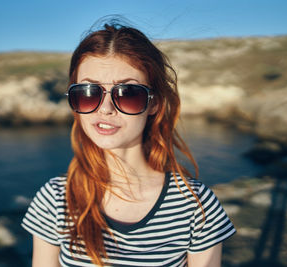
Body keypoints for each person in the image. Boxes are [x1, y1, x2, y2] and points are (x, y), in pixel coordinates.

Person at [22, 22, 236, 267]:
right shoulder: (56, 199)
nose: (105, 109)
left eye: (128, 93)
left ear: (154, 104)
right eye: (88, 92)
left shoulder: (195, 204)